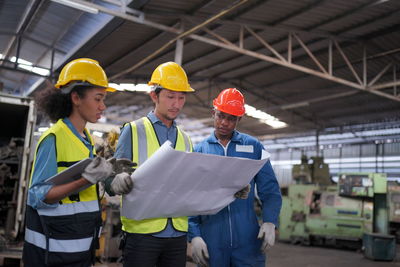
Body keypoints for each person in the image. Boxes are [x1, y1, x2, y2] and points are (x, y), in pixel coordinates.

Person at [22, 58, 133, 267]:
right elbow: (37, 195)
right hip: (52, 253)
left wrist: (109, 179)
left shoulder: (86, 139)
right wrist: (84, 180)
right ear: (76, 97)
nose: (103, 106)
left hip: (80, 248)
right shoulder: (54, 138)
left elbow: (84, 191)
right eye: (98, 98)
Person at [105, 61, 195, 267]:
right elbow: (110, 183)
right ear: (154, 95)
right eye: (170, 96)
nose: (177, 103)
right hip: (142, 234)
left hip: (177, 234)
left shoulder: (186, 139)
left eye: (181, 97)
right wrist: (115, 181)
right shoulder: (133, 130)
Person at [188, 88, 283, 267]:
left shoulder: (253, 147)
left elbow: (269, 189)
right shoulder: (200, 151)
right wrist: (195, 235)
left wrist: (270, 220)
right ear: (213, 113)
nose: (224, 122)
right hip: (211, 239)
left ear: (240, 119)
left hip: (247, 239)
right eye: (220, 116)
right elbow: (191, 197)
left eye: (231, 118)